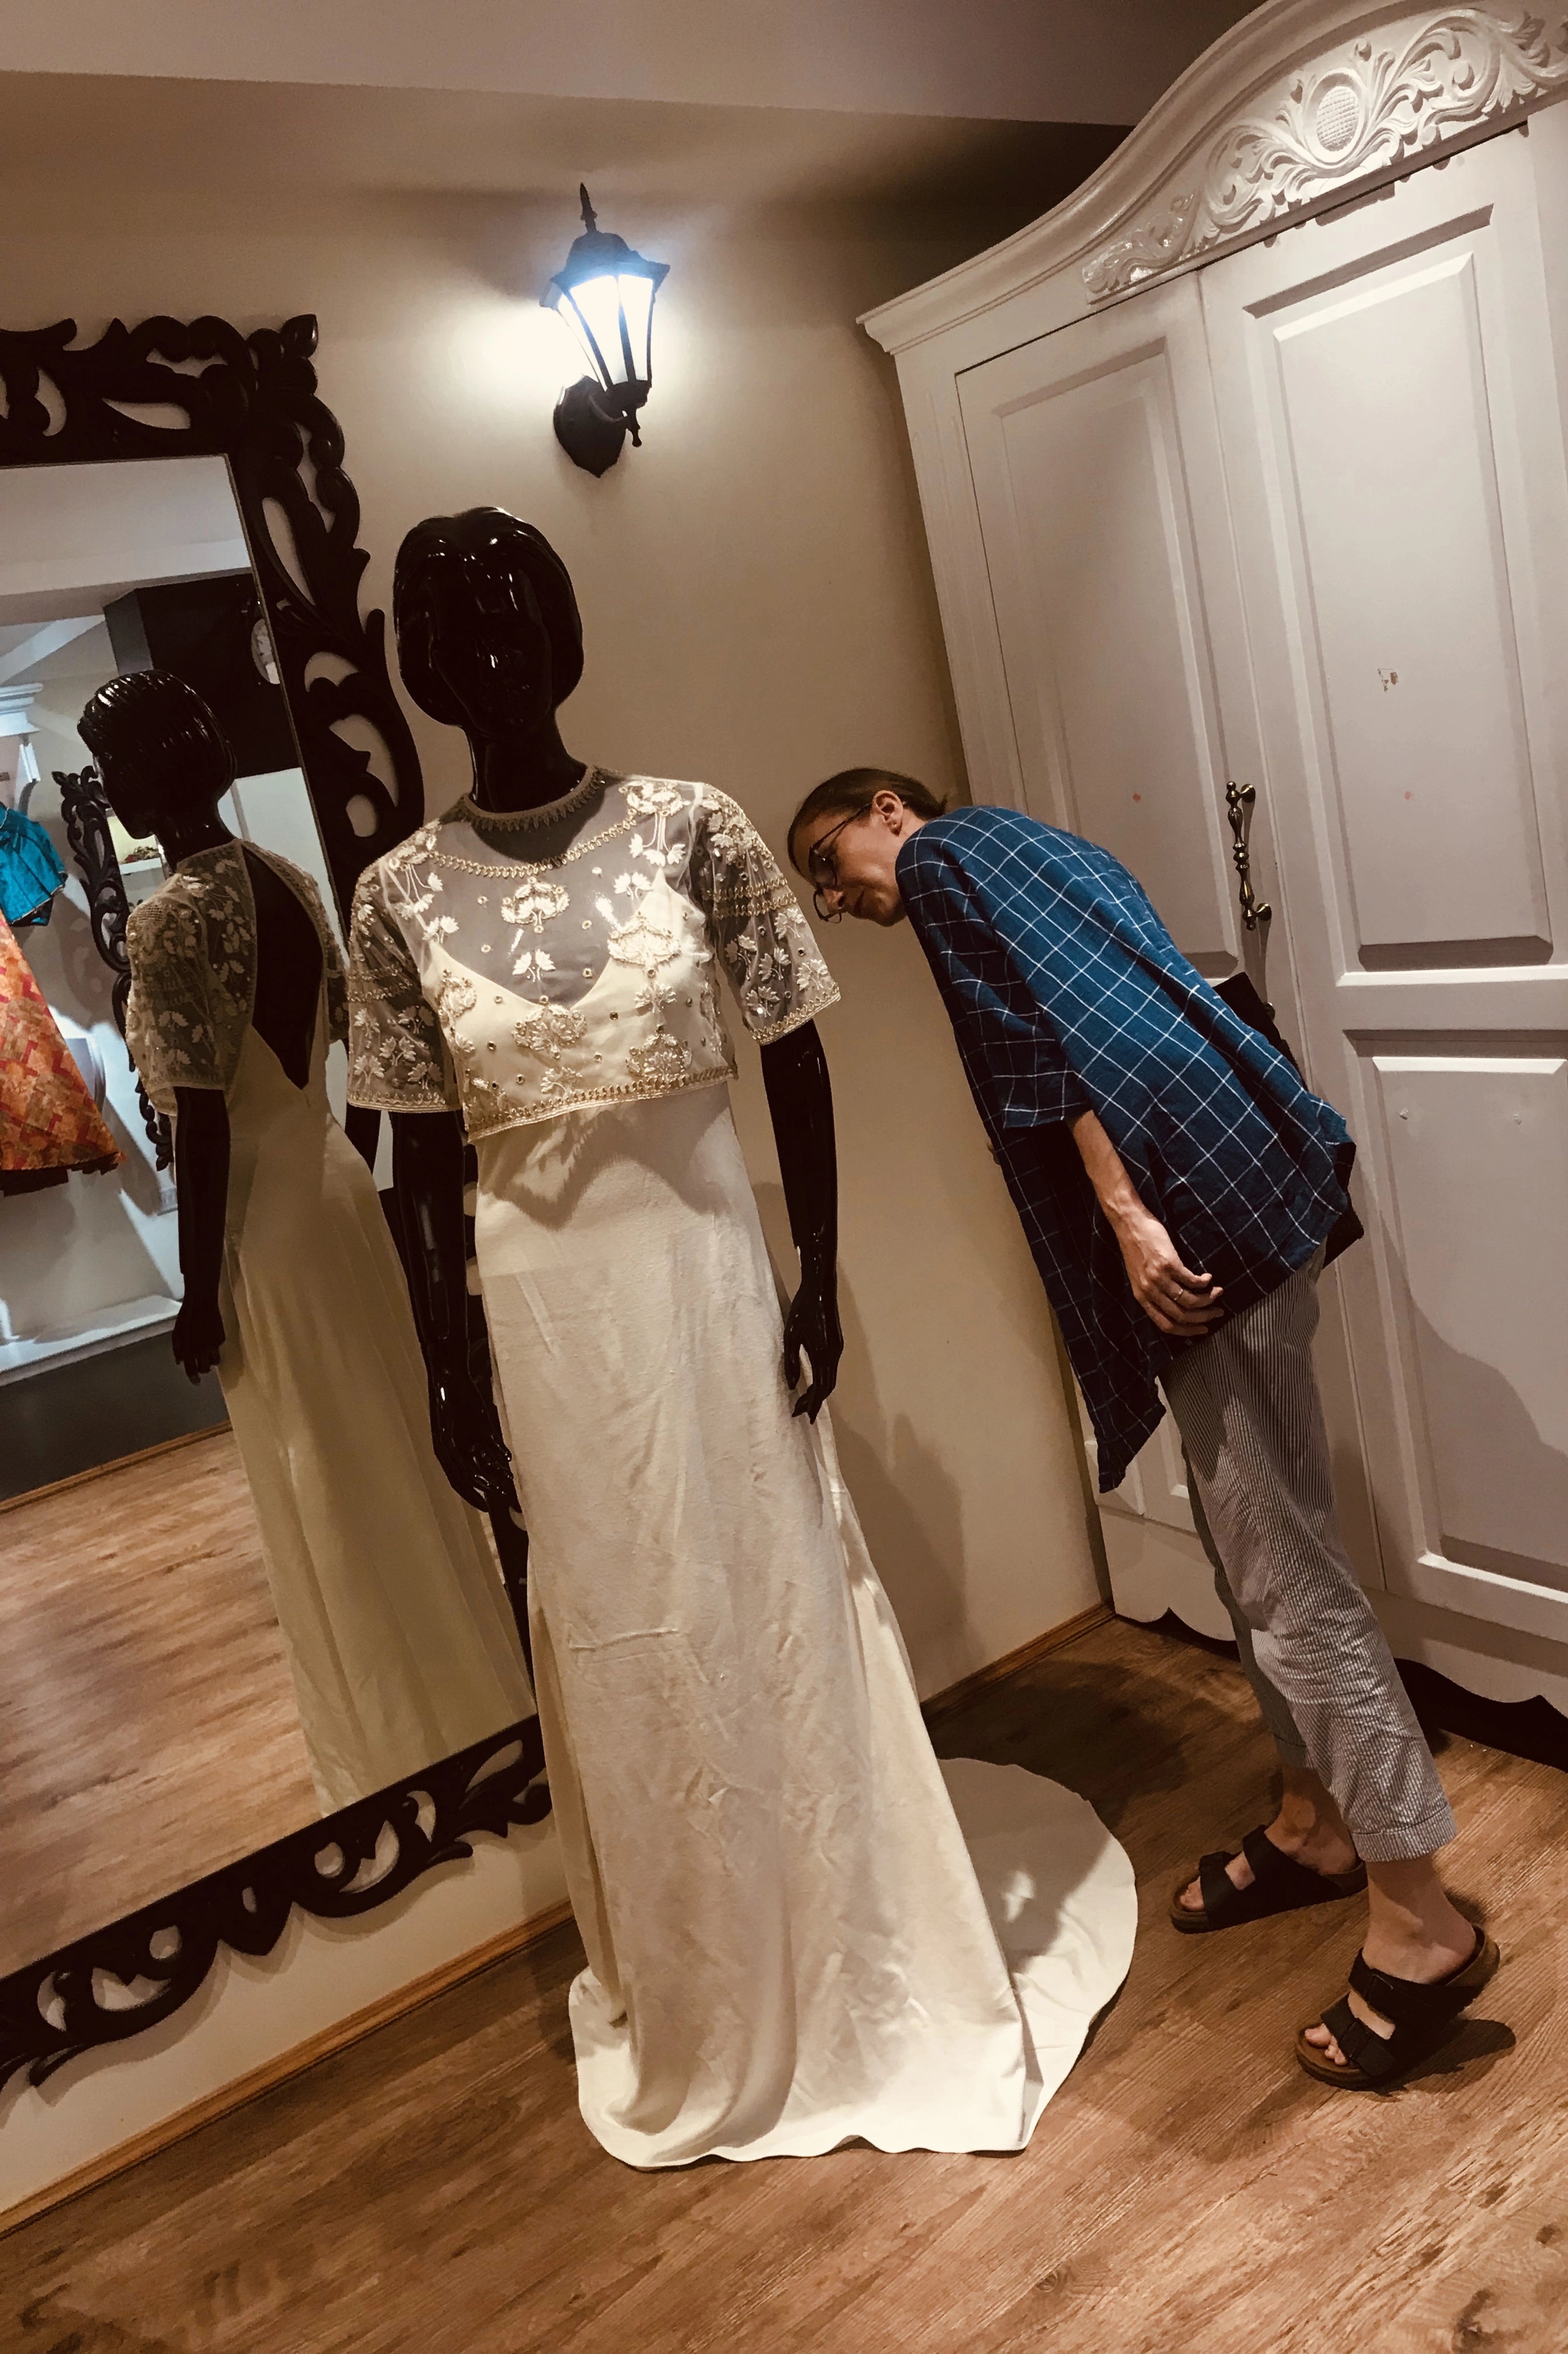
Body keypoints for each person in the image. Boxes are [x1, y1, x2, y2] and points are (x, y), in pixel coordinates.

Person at [346, 509, 1135, 2168]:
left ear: (565, 635)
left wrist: (822, 1268)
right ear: (417, 671)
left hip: (710, 1286)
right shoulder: (395, 900)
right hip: (546, 1329)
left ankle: (850, 1944)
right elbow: (417, 1166)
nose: (487, 658)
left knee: (765, 1591)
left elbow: (792, 1057)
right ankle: (704, 1976)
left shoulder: (694, 830)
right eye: (448, 633)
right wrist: (442, 1361)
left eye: (514, 619)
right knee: (625, 1629)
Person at [787, 767, 1499, 2091]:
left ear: (890, 805)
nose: (837, 898)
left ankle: (1418, 1920)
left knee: (1288, 1581)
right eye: (823, 894)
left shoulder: (943, 864)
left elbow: (1044, 1050)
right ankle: (1312, 1823)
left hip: (1186, 1214)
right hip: (1245, 1177)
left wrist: (1126, 1219)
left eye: (830, 861)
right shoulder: (1043, 845)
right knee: (1259, 1554)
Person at [80, 670, 531, 1813]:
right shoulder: (285, 879)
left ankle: (397, 1737)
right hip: (328, 1185)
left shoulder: (171, 917)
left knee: (326, 1466)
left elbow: (208, 1117)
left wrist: (196, 1290)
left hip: (265, 1225)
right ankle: (472, 1695)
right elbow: (362, 1059)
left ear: (150, 775)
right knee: (381, 1431)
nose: (112, 787)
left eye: (115, 765)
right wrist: (355, 1157)